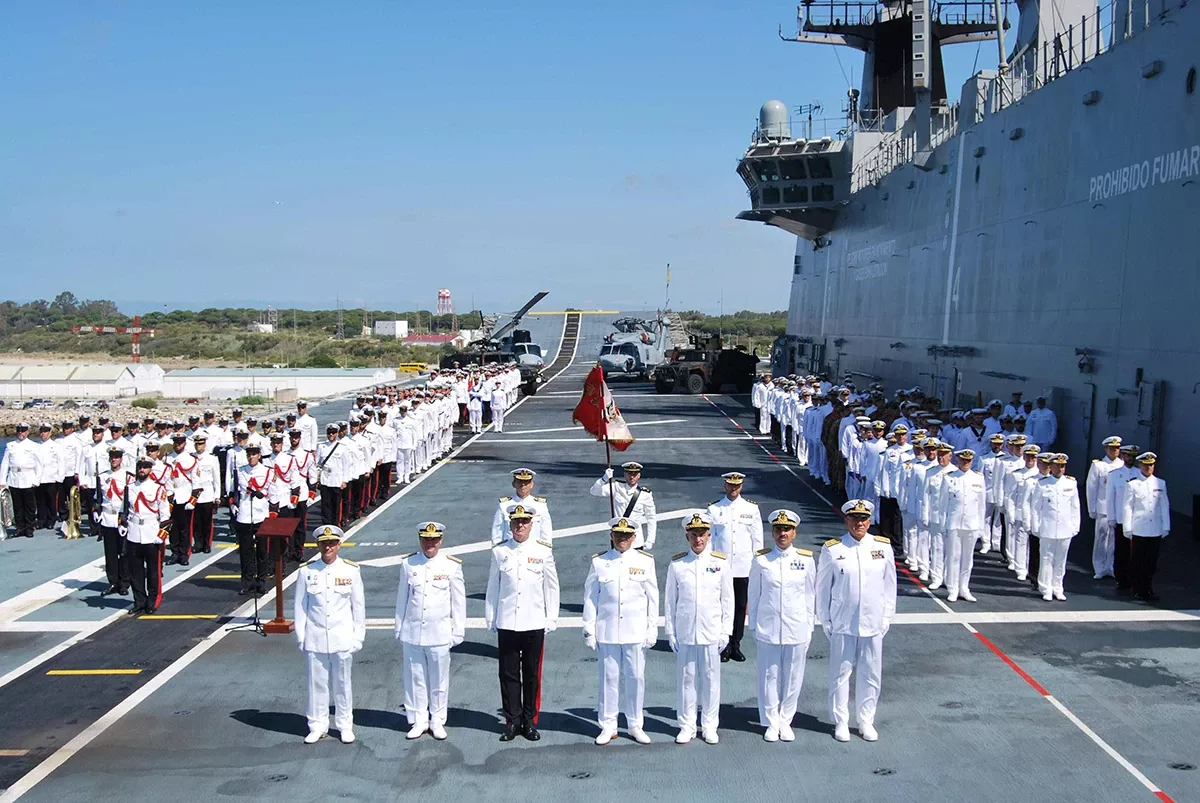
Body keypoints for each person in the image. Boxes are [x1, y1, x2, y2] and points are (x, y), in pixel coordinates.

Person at [816, 499, 897, 743]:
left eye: (863, 518)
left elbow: (890, 585)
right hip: (843, 622)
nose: (859, 523)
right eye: (854, 518)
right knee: (840, 674)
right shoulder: (833, 549)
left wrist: (886, 617)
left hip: (873, 621)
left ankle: (865, 720)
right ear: (846, 520)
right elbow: (822, 588)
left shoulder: (883, 547)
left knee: (871, 674)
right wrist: (825, 619)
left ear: (869, 520)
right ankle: (841, 720)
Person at [485, 504, 560, 742]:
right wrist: (491, 616)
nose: (520, 526)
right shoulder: (500, 552)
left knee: (531, 675)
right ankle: (512, 722)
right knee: (507, 675)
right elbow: (493, 587)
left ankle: (529, 722)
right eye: (516, 522)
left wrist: (551, 618)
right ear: (510, 525)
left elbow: (551, 587)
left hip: (534, 620)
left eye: (524, 522)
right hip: (507, 620)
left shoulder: (543, 551)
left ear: (531, 524)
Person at [582, 516, 659, 746]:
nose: (622, 539)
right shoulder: (600, 562)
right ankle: (608, 724)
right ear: (611, 536)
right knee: (609, 678)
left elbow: (652, 597)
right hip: (607, 629)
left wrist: (651, 627)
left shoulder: (645, 561)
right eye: (618, 535)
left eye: (626, 536)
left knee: (636, 677)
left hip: (635, 630)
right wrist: (589, 628)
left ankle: (635, 724)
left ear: (634, 537)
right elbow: (590, 597)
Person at [664, 511, 732, 745]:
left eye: (702, 534)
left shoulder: (720, 564)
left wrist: (726, 631)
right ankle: (687, 725)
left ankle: (710, 725)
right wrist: (670, 632)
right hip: (686, 631)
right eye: (694, 535)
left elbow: (727, 600)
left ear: (709, 535)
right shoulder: (678, 564)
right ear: (687, 537)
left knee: (711, 680)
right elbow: (670, 602)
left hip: (711, 630)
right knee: (687, 680)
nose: (698, 540)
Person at [748, 509, 816, 743]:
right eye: (778, 530)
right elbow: (754, 595)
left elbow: (810, 596)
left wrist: (810, 626)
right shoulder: (761, 560)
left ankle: (785, 720)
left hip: (796, 626)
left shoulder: (806, 559)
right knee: (769, 675)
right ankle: (769, 721)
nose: (782, 534)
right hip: (768, 626)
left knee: (793, 676)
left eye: (786, 530)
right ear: (772, 532)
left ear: (794, 533)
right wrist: (754, 625)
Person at [394, 521, 466, 741]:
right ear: (420, 540)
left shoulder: (451, 565)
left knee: (439, 680)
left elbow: (458, 601)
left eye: (434, 540)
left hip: (440, 633)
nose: (430, 543)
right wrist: (399, 628)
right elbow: (402, 599)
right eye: (426, 539)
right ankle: (418, 720)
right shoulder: (409, 564)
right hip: (413, 631)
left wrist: (458, 631)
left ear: (441, 540)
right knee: (415, 679)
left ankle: (437, 720)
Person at [294, 525, 364, 744]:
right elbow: (300, 607)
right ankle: (317, 725)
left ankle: (344, 725)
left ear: (339, 545)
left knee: (343, 684)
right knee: (317, 685)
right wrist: (301, 637)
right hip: (315, 637)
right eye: (324, 543)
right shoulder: (307, 571)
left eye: (332, 543)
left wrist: (357, 637)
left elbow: (358, 607)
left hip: (342, 638)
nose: (328, 547)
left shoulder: (351, 570)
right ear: (318, 545)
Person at [706, 471, 763, 662]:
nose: (733, 488)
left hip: (743, 567)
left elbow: (757, 540)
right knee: (721, 607)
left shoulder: (751, 509)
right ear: (725, 485)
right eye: (730, 485)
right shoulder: (714, 509)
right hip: (721, 568)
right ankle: (723, 645)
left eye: (737, 485)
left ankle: (735, 644)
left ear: (741, 487)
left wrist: (758, 566)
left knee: (740, 607)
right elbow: (710, 540)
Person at [936, 449, 987, 602]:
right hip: (954, 523)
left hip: (971, 524)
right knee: (953, 556)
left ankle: (964, 587)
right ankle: (952, 588)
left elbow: (981, 506)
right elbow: (943, 504)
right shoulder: (949, 478)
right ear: (957, 460)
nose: (965, 463)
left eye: (968, 461)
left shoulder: (978, 478)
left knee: (968, 558)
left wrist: (980, 528)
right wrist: (943, 524)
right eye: (963, 460)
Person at [124, 458, 172, 616]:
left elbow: (165, 513)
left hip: (151, 533)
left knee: (153, 571)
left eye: (145, 467)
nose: (142, 470)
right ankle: (139, 601)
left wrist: (162, 533)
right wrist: (122, 525)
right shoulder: (129, 488)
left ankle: (152, 601)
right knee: (135, 571)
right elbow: (125, 510)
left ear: (151, 469)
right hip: (133, 532)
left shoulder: (158, 488)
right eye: (140, 467)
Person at [1029, 454, 1081, 601]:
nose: (1060, 468)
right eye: (1057, 466)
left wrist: (1075, 526)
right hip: (1047, 527)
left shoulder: (1071, 483)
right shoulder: (1042, 483)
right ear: (1050, 466)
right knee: (1046, 559)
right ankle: (1045, 588)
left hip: (1065, 528)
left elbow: (1075, 507)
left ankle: (1058, 587)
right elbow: (1036, 507)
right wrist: (1036, 527)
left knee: (1060, 560)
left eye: (1063, 466)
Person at [1122, 452, 1170, 602]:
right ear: (1140, 465)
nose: (1149, 468)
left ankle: (1148, 588)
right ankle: (1137, 588)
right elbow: (1128, 507)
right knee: (1137, 561)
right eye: (1146, 465)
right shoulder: (1133, 484)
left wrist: (1166, 526)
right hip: (1139, 529)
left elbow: (1164, 506)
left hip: (1155, 528)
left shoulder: (1160, 483)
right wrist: (1127, 527)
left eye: (1151, 465)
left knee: (1151, 562)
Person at [590, 461, 657, 550]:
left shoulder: (645, 494)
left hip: (635, 541)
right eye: (629, 473)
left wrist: (650, 540)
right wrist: (604, 479)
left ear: (639, 475)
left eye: (635, 474)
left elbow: (651, 518)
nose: (632, 476)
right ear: (625, 474)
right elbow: (594, 492)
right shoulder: (616, 487)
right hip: (618, 539)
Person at [232, 445, 271, 596]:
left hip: (261, 514)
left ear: (259, 455)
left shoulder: (267, 471)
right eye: (249, 454)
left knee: (262, 551)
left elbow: (270, 491)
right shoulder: (241, 471)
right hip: (245, 515)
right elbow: (239, 488)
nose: (251, 457)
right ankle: (247, 582)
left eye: (254, 454)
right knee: (246, 551)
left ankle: (261, 581)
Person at [95, 447, 132, 596]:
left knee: (123, 553)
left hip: (120, 518)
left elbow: (130, 499)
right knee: (110, 554)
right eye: (112, 457)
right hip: (107, 518)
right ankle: (113, 582)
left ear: (121, 459)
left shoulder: (128, 476)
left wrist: (126, 519)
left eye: (117, 457)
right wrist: (95, 511)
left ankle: (124, 583)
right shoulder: (103, 476)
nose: (114, 459)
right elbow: (98, 498)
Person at [1085, 436, 1123, 580]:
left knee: (1114, 539)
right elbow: (1091, 488)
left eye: (1117, 448)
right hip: (1103, 507)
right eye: (1112, 448)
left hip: (1117, 509)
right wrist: (1092, 508)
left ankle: (1111, 566)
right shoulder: (1099, 465)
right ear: (1106, 449)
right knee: (1101, 538)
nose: (1115, 451)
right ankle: (1099, 567)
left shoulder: (1122, 465)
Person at [1107, 444, 1141, 593]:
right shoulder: (1114, 474)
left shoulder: (1139, 473)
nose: (1130, 459)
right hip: (1121, 518)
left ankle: (1134, 578)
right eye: (1128, 456)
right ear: (1122, 456)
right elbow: (1110, 498)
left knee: (1136, 552)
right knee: (1121, 551)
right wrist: (1111, 517)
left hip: (1137, 519)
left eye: (1133, 456)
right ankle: (1121, 579)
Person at [0, 422, 42, 539]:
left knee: (29, 506)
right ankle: (20, 527)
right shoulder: (10, 446)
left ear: (27, 432)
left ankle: (29, 527)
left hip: (28, 477)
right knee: (17, 506)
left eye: (23, 430)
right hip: (14, 478)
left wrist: (36, 480)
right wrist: (2, 481)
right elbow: (5, 464)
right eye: (19, 430)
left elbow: (39, 465)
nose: (20, 433)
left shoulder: (34, 446)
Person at [491, 468, 553, 545]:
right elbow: (497, 532)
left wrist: (545, 551)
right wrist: (498, 551)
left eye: (526, 482)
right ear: (514, 484)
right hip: (510, 550)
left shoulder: (540, 505)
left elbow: (546, 532)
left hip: (533, 550)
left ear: (531, 485)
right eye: (520, 482)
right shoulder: (504, 505)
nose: (523, 485)